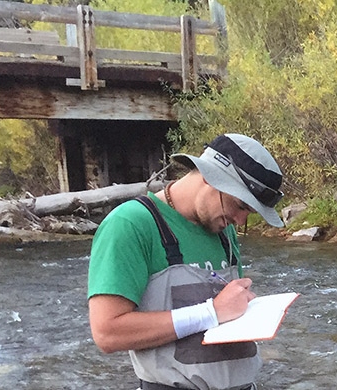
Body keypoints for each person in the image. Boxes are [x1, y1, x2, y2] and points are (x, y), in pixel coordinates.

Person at [87, 133, 285, 390]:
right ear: (209, 176)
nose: (240, 220)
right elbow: (107, 333)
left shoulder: (223, 230)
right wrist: (210, 312)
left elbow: (225, 314)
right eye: (240, 205)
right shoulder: (130, 225)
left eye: (250, 212)